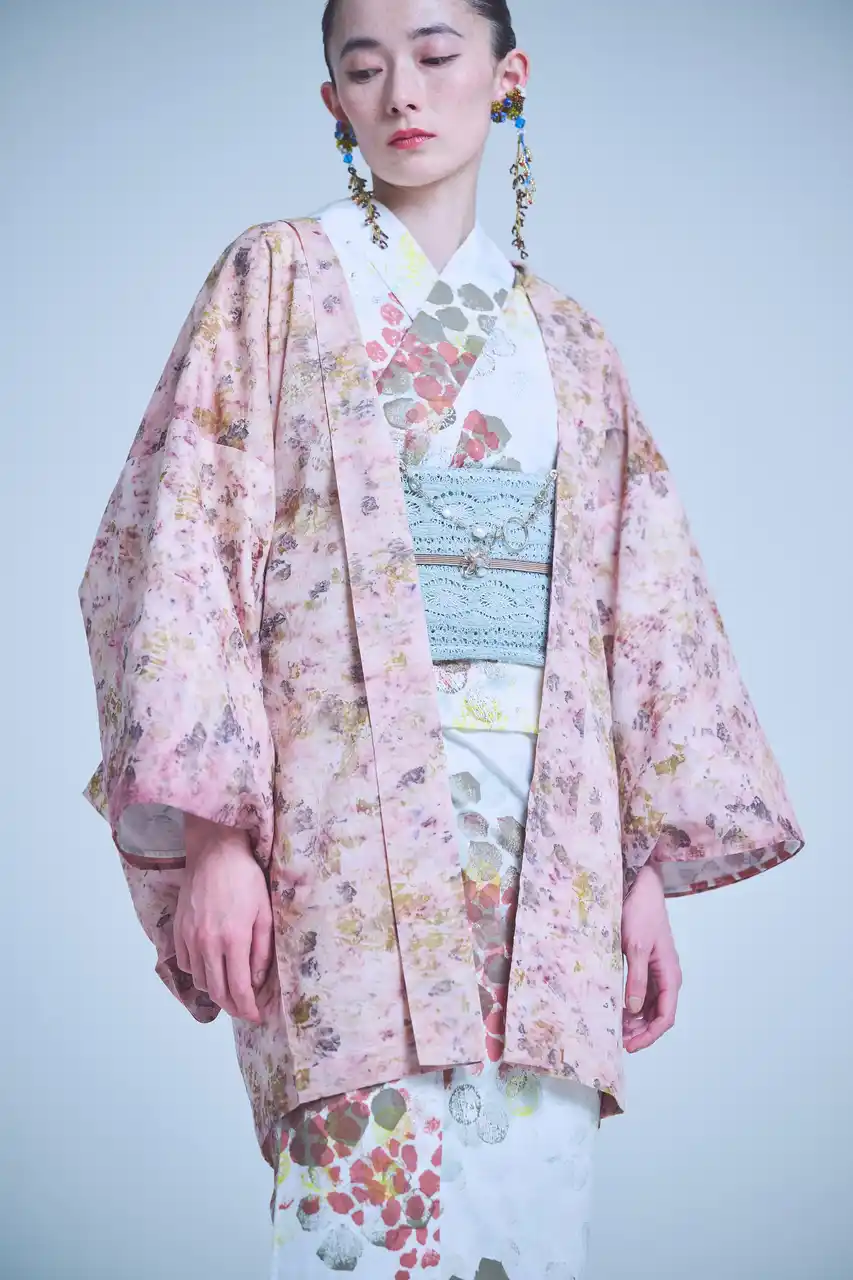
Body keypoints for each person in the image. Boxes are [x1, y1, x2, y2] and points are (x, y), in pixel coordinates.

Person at [77, 1, 805, 1276]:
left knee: (528, 1228)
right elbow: (184, 540)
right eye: (364, 68)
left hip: (548, 864)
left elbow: (637, 611)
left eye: (434, 54)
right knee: (360, 1227)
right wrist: (214, 835)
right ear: (335, 104)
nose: (402, 92)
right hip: (343, 841)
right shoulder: (277, 279)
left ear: (506, 76)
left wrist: (636, 867)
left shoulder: (569, 344)